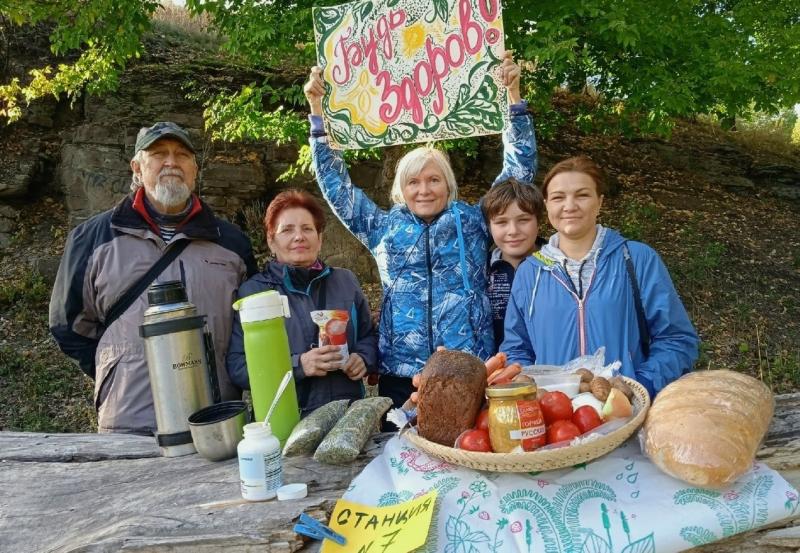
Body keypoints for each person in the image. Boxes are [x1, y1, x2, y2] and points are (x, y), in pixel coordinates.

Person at [304, 52, 538, 409]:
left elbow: (518, 171)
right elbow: (337, 187)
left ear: (449, 186)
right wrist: (318, 114)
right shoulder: (382, 229)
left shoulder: (474, 222)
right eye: (414, 181)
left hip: (469, 366)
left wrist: (513, 99)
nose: (424, 189)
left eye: (434, 180)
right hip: (401, 372)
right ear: (401, 189)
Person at [49, 121, 257, 434]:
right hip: (129, 420)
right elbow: (67, 325)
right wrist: (117, 369)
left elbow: (250, 325)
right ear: (137, 167)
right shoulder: (93, 239)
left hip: (216, 419)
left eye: (182, 155)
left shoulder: (231, 243)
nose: (171, 162)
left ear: (194, 168)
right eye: (159, 154)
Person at [500, 156, 699, 397]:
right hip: (556, 418)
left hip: (626, 414)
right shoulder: (530, 272)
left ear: (599, 202)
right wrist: (532, 391)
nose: (570, 205)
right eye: (558, 197)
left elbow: (676, 339)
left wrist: (642, 385)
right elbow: (516, 349)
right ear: (547, 205)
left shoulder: (636, 259)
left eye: (582, 195)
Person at [226, 189, 378, 416]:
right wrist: (298, 365)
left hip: (347, 419)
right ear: (271, 240)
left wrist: (364, 358)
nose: (299, 236)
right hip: (286, 421)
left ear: (320, 238)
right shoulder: (254, 293)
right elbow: (238, 367)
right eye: (287, 230)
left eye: (307, 229)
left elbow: (370, 336)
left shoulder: (345, 281)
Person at [482, 177, 545, 348]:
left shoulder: (556, 266)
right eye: (501, 222)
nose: (513, 231)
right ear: (489, 227)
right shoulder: (480, 270)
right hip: (495, 370)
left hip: (548, 368)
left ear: (538, 221)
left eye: (523, 220)